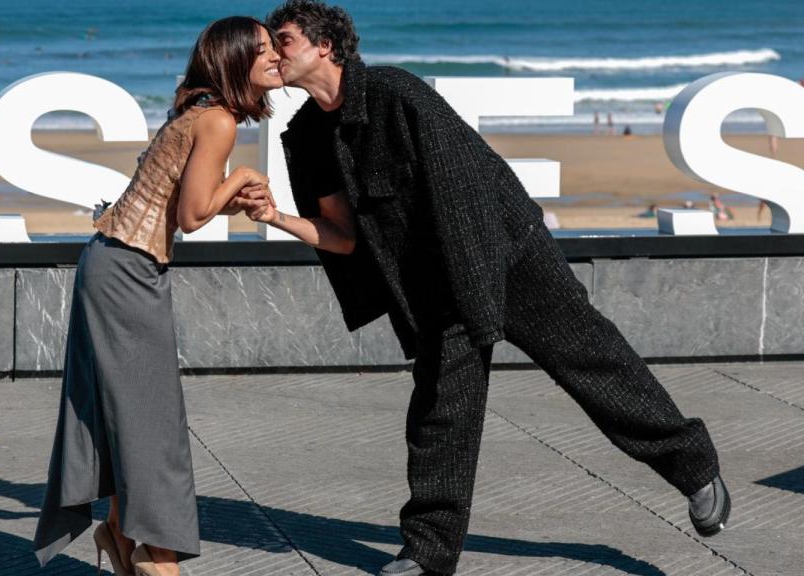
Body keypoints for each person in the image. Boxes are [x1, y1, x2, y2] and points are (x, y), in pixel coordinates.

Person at [245, 2, 730, 575]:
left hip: (505, 248)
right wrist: (275, 216)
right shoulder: (305, 137)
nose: (274, 52)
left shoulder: (398, 94)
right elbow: (344, 237)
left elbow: (466, 191)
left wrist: (475, 299)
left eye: (284, 39)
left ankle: (695, 468)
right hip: (433, 280)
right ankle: (427, 553)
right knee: (440, 411)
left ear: (326, 45)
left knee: (594, 363)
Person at [32, 16, 281, 576]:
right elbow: (193, 216)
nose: (273, 58)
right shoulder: (217, 120)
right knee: (151, 420)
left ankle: (122, 532)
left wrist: (229, 194)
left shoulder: (197, 107)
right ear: (236, 58)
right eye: (262, 49)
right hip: (128, 271)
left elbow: (176, 197)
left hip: (113, 261)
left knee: (122, 412)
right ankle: (157, 555)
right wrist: (242, 175)